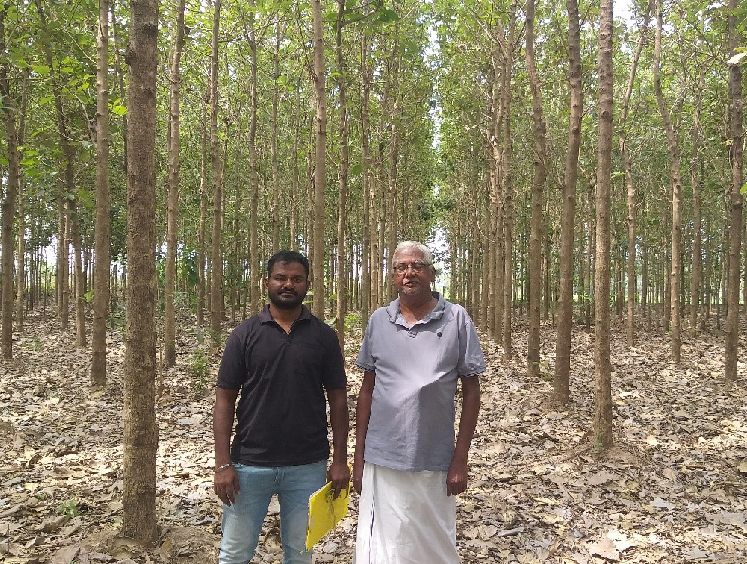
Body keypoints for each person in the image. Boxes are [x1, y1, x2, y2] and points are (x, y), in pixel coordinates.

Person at [213, 250, 350, 564]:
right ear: (266, 283)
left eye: (296, 279)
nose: (288, 284)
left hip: (307, 465)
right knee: (234, 554)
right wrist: (223, 463)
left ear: (307, 284)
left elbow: (338, 400)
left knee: (300, 554)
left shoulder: (324, 337)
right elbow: (224, 399)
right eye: (281, 278)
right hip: (249, 464)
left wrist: (340, 460)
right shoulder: (244, 335)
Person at [353, 241, 484, 564]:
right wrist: (358, 457)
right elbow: (367, 391)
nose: (409, 273)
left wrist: (460, 458)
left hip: (432, 456)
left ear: (432, 274)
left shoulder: (456, 319)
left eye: (417, 266)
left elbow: (472, 392)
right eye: (401, 267)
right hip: (382, 457)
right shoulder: (379, 320)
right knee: (385, 546)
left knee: (433, 544)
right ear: (393, 276)